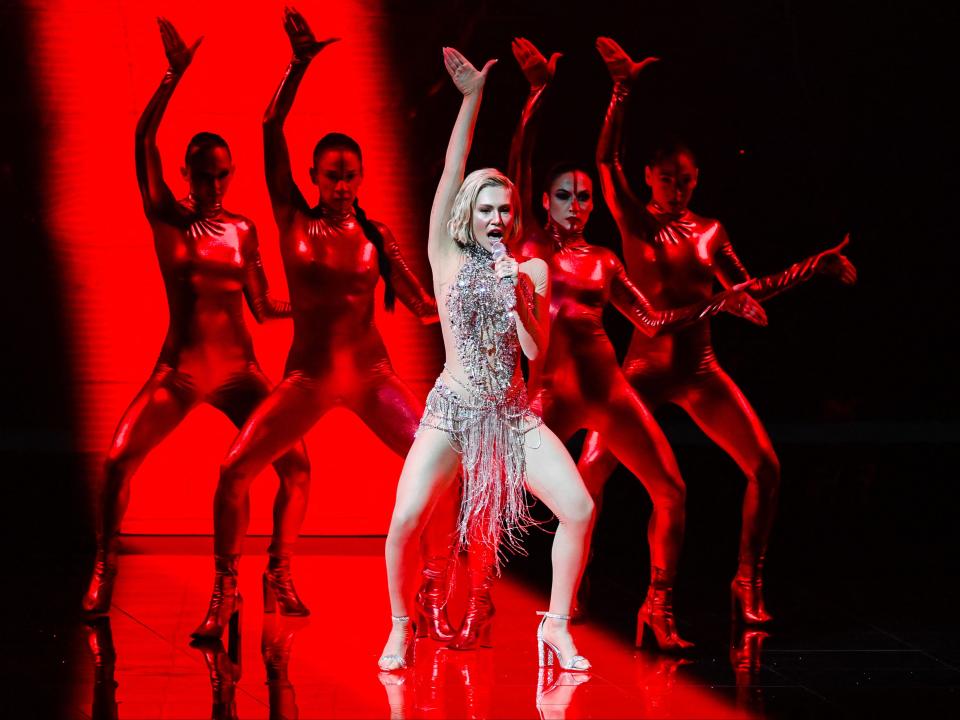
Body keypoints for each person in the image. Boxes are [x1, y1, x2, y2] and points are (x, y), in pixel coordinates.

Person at [192, 9, 455, 641]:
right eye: (331, 174)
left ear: (361, 179)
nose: (341, 184)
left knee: (442, 463)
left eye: (350, 175)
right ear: (313, 177)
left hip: (370, 375)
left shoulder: (376, 236)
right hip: (308, 378)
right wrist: (299, 63)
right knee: (234, 470)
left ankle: (429, 594)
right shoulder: (292, 220)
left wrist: (477, 296)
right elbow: (267, 125)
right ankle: (228, 591)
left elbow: (422, 305)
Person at [579, 37, 857, 626]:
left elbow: (747, 290)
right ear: (649, 177)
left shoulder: (710, 231)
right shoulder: (634, 220)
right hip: (644, 371)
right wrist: (622, 90)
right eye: (666, 178)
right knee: (588, 474)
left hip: (700, 372)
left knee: (766, 467)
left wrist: (817, 266)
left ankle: (747, 581)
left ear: (696, 179)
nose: (675, 188)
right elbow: (604, 163)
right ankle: (570, 588)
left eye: (684, 180)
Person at [502, 38, 768, 650]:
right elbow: (520, 162)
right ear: (544, 201)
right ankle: (476, 598)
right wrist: (537, 95)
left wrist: (719, 303)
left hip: (611, 394)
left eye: (584, 196)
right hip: (548, 398)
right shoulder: (531, 245)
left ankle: (658, 606)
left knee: (671, 489)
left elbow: (651, 322)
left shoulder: (604, 259)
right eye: (564, 195)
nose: (576, 205)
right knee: (493, 485)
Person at [81, 17, 310, 616]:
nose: (213, 184)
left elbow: (260, 307)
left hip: (240, 373)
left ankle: (272, 576)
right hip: (179, 370)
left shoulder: (242, 230)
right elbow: (141, 142)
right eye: (203, 174)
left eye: (222, 174)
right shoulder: (167, 219)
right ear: (186, 174)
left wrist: (305, 307)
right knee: (117, 460)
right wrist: (171, 76)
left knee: (297, 466)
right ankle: (104, 567)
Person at [378, 47, 595, 673]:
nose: (498, 217)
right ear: (468, 215)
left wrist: (520, 298)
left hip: (511, 414)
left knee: (578, 508)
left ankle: (555, 626)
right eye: (487, 209)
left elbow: (537, 353)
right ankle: (399, 627)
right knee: (405, 521)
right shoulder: (445, 257)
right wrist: (472, 98)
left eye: (506, 209)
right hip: (452, 408)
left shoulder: (529, 267)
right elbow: (452, 168)